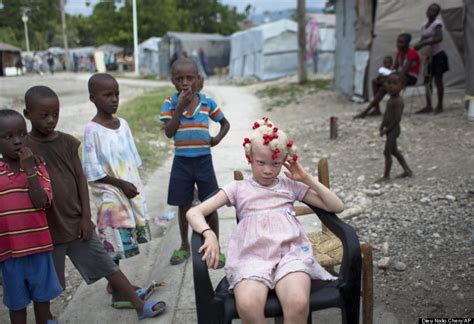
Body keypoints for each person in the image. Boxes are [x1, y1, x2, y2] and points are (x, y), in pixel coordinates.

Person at [24, 85, 165, 320]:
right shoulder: (25, 149)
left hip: (76, 223)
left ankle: (139, 305)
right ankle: (47, 317)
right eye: (43, 115)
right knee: (47, 283)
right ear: (28, 114)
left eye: (55, 114)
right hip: (47, 231)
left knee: (108, 265)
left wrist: (85, 217)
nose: (51, 120)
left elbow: (81, 178)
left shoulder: (68, 143)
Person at [186, 117, 344, 324]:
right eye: (261, 163)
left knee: (298, 303)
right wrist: (209, 234)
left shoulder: (290, 186)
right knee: (248, 306)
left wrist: (306, 178)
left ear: (284, 161)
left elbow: (336, 206)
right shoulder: (237, 189)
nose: (268, 170)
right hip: (251, 258)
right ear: (249, 158)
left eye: (276, 163)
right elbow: (194, 212)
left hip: (290, 255)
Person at [159, 57, 230, 266]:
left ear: (198, 79)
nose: (185, 82)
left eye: (190, 78)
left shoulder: (207, 103)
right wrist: (179, 107)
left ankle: (215, 245)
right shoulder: (170, 103)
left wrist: (216, 139)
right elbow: (169, 132)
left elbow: (225, 124)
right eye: (179, 78)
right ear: (173, 80)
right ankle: (184, 246)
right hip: (182, 162)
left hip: (203, 161)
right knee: (183, 204)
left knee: (211, 202)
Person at [0, 109, 62, 324]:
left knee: (42, 300)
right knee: (17, 305)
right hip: (9, 253)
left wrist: (30, 172)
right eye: (8, 137)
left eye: (21, 134)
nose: (17, 141)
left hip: (38, 248)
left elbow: (41, 202)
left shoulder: (38, 166)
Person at [354, 34, 420, 119]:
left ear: (407, 43)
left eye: (401, 42)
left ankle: (366, 111)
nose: (398, 44)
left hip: (411, 77)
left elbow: (404, 71)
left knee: (385, 85)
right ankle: (376, 109)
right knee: (375, 81)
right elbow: (394, 69)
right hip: (400, 76)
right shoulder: (399, 53)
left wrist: (387, 78)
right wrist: (384, 76)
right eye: (398, 42)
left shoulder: (411, 53)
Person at [414, 3, 449, 114]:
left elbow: (439, 38)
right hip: (428, 57)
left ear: (437, 13)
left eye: (434, 10)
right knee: (427, 81)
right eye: (430, 9)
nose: (431, 12)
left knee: (438, 80)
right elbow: (422, 39)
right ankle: (429, 105)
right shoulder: (424, 25)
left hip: (438, 55)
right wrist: (417, 46)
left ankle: (439, 105)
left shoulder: (437, 24)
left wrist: (423, 43)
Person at [378, 73, 413, 181]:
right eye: (389, 83)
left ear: (402, 86)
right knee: (394, 151)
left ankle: (386, 176)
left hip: (394, 130)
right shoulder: (391, 99)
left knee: (387, 152)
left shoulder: (398, 101)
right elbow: (387, 115)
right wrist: (382, 125)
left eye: (395, 83)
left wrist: (386, 130)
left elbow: (397, 119)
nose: (391, 86)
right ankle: (407, 170)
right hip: (389, 129)